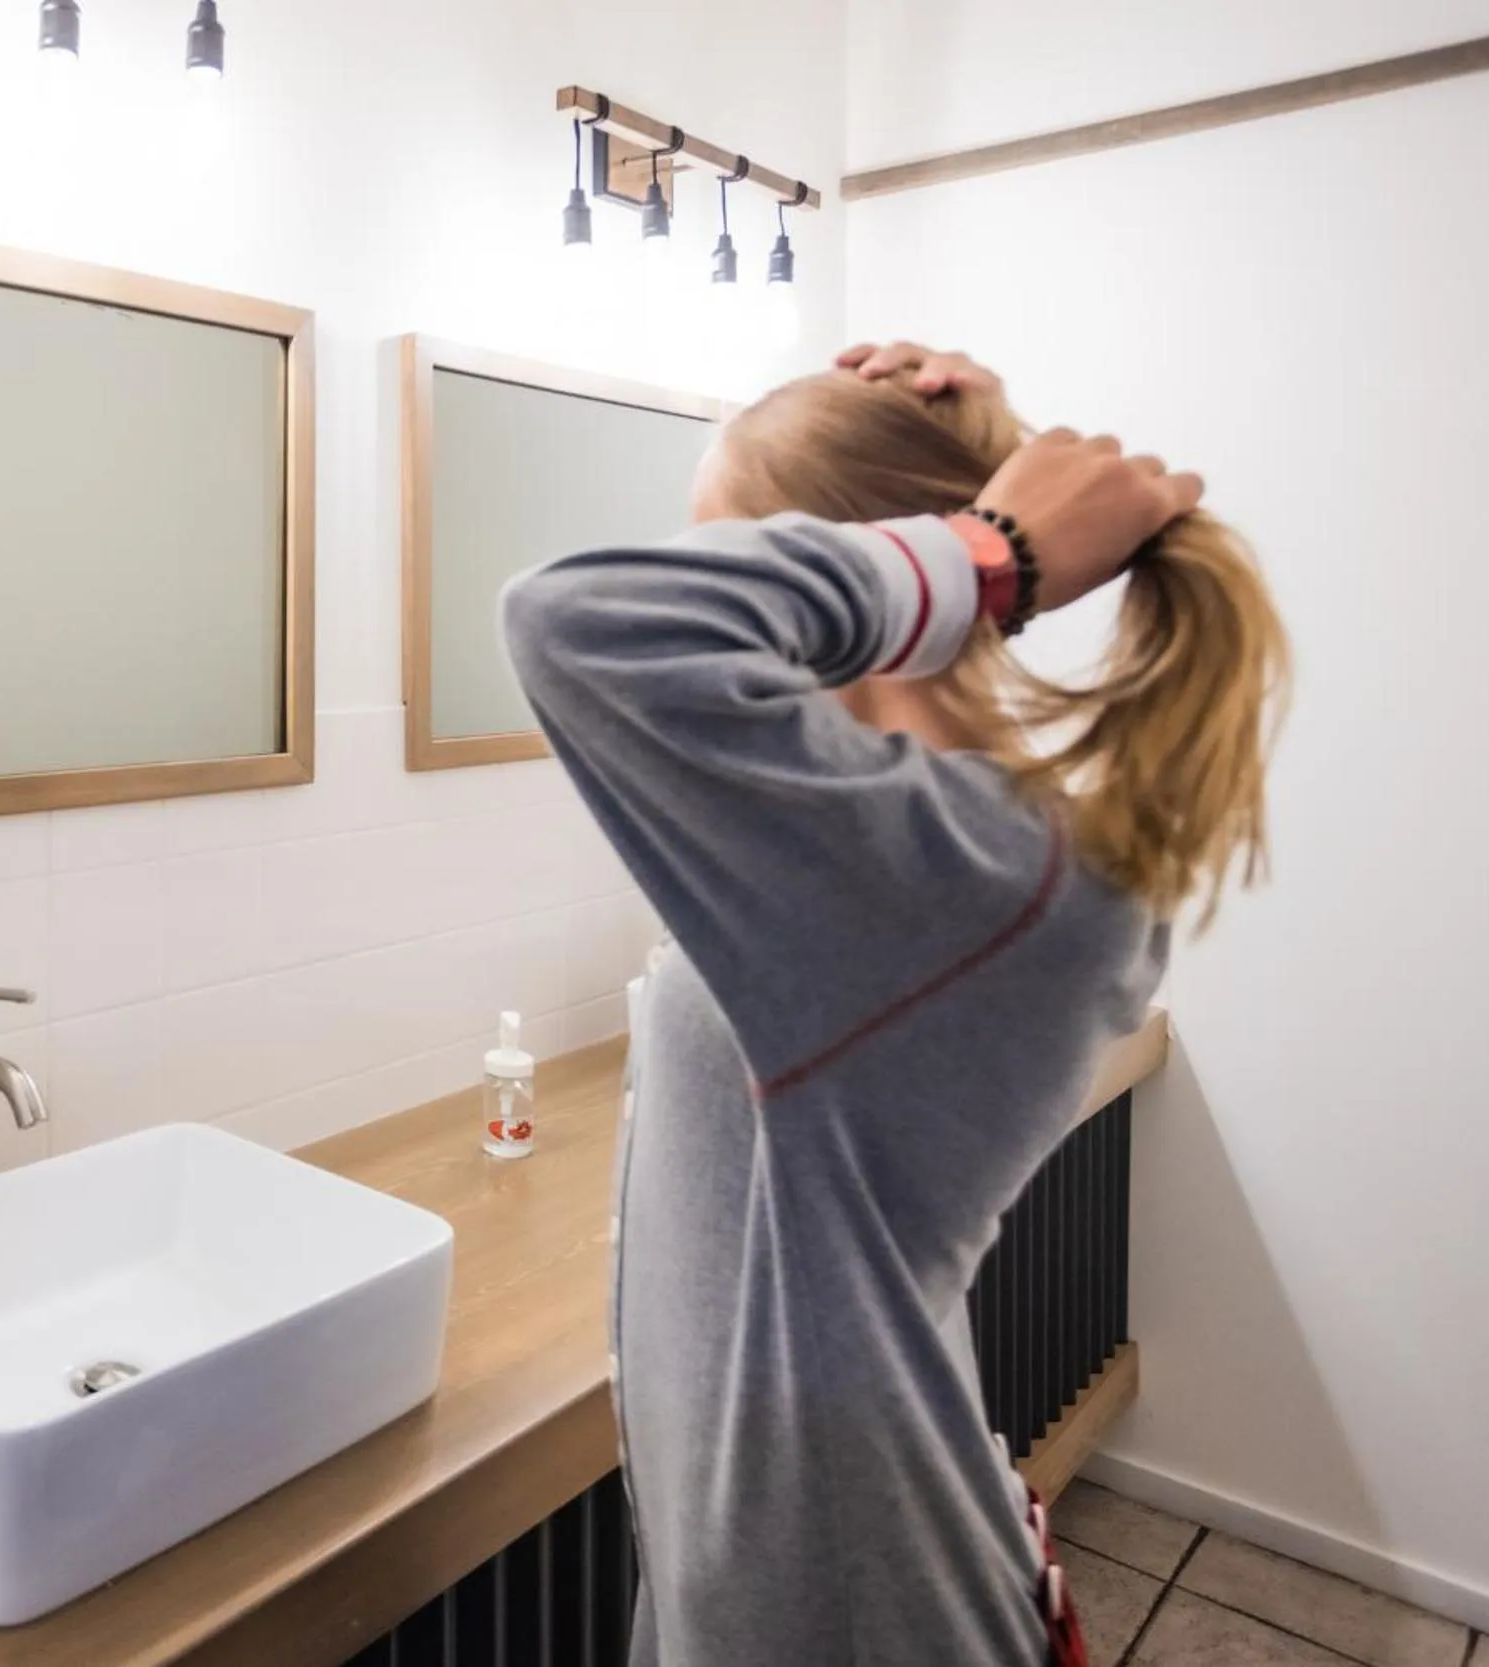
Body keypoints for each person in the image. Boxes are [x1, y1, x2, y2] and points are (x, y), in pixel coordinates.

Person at [502, 342, 1287, 1666]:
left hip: (844, 1610)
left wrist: (989, 550)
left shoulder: (951, 875)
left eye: (729, 554)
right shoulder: (900, 845)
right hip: (826, 1559)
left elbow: (574, 621)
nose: (737, 597)